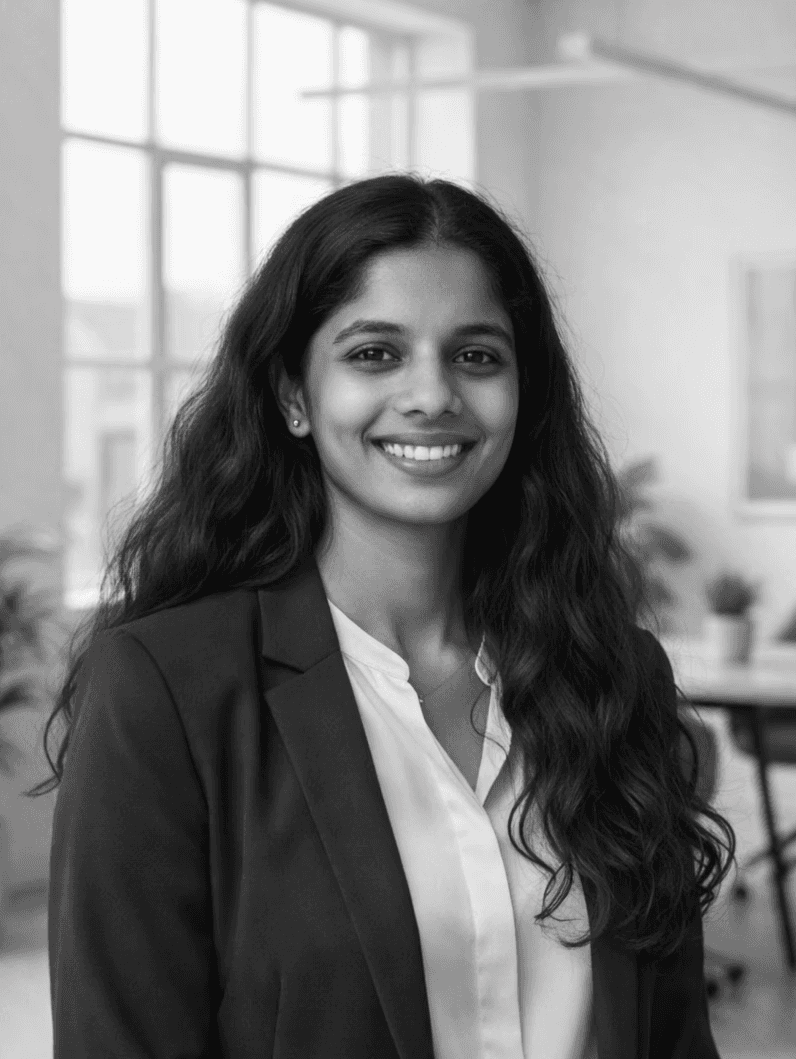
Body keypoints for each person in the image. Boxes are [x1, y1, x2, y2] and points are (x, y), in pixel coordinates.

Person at [33, 173, 735, 1059]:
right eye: (375, 353)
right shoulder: (168, 689)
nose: (432, 394)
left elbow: (673, 1036)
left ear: (523, 395)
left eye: (477, 355)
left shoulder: (611, 673)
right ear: (294, 395)